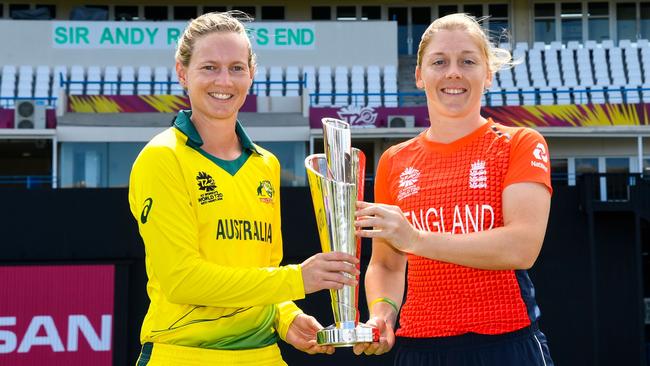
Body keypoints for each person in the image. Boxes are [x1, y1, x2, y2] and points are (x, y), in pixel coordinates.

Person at [128, 11, 358, 366]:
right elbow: (183, 280)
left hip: (263, 354)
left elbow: (262, 270)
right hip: (185, 355)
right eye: (209, 67)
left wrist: (285, 317)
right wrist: (298, 279)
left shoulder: (265, 164)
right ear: (181, 73)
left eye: (236, 67)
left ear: (251, 74)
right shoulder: (162, 158)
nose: (224, 80)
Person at [353, 13, 554, 366]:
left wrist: (415, 238)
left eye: (468, 61)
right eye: (439, 62)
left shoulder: (519, 143)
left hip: (505, 343)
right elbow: (386, 263)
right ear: (419, 75)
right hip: (418, 348)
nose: (453, 73)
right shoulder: (394, 160)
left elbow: (522, 247)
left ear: (487, 74)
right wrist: (382, 314)